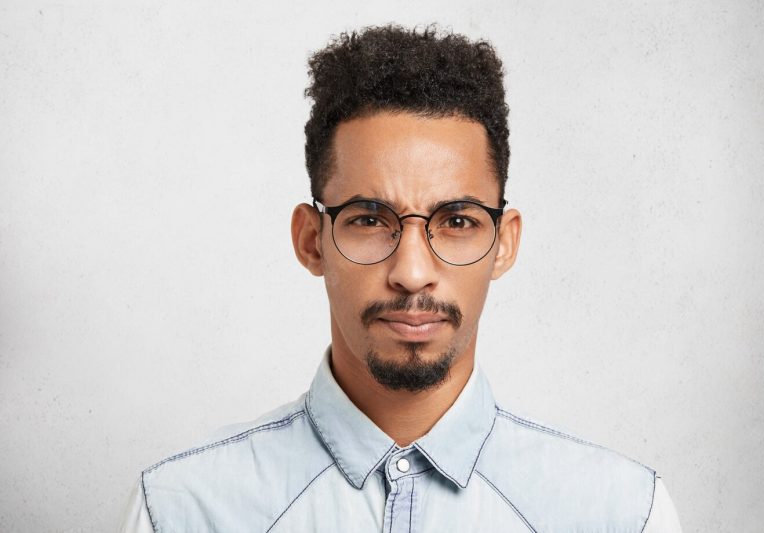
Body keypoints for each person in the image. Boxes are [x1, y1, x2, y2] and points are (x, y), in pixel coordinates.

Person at [119, 24, 682, 532]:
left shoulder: (621, 514)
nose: (412, 273)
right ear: (311, 240)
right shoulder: (182, 511)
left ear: (504, 243)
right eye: (369, 220)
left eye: (457, 221)